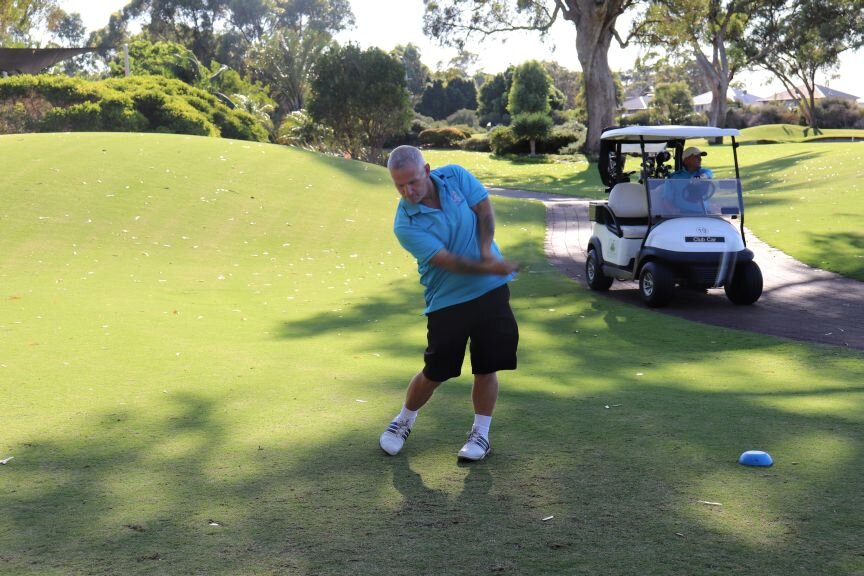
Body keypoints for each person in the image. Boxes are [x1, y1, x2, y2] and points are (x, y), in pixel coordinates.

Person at [379, 145, 520, 462]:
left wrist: (486, 251)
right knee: (436, 371)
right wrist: (488, 265)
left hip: (491, 290)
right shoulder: (405, 224)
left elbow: (484, 209)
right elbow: (447, 261)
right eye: (399, 185)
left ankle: (480, 435)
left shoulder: (455, 175)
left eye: (413, 182)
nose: (408, 191)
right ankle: (403, 421)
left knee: (487, 366)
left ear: (427, 170)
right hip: (447, 300)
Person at [666, 146, 714, 213]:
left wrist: (698, 178)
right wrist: (673, 212)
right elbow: (666, 199)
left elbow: (707, 174)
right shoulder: (673, 177)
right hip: (681, 214)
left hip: (703, 213)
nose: (700, 159)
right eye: (696, 157)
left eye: (700, 157)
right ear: (686, 159)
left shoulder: (704, 172)